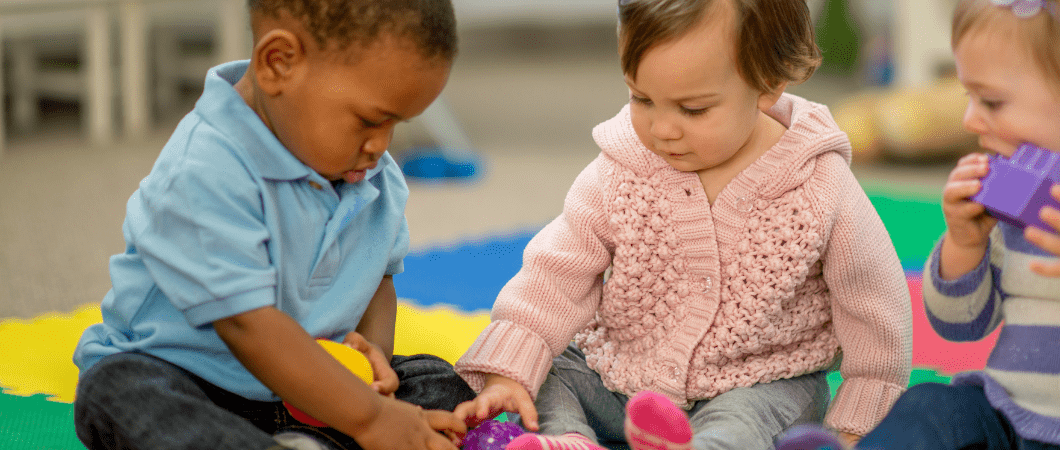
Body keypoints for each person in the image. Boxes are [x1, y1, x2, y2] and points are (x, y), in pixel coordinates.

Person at [451, 0, 914, 449]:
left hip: (756, 384)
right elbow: (557, 272)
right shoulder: (621, 169)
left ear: (767, 83)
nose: (662, 129)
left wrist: (861, 411)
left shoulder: (818, 183)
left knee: (746, 425)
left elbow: (873, 303)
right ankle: (568, 438)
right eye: (642, 98)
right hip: (622, 376)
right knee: (553, 372)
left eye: (692, 110)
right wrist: (509, 371)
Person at [780, 0, 1060, 449]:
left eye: (992, 101)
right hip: (1009, 416)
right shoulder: (1021, 187)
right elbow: (960, 327)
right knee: (929, 407)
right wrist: (965, 246)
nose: (970, 120)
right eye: (969, 97)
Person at [71, 1, 476, 449]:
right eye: (369, 120)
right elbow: (247, 326)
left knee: (440, 383)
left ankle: (311, 438)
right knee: (116, 394)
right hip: (193, 378)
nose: (381, 145)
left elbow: (378, 277)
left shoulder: (374, 176)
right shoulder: (205, 169)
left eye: (396, 124)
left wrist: (370, 360)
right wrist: (371, 418)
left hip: (315, 386)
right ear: (279, 64)